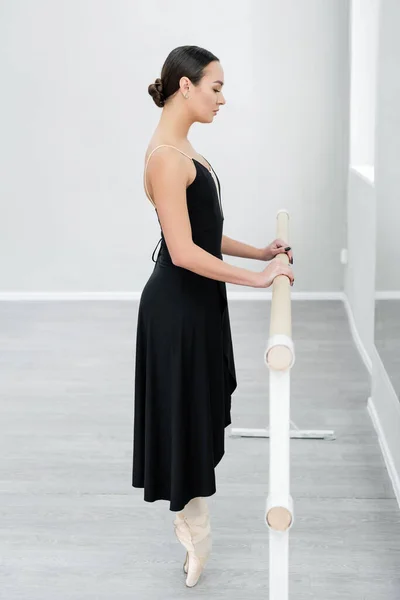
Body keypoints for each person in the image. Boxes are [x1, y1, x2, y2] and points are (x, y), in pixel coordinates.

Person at [132, 45, 295, 588]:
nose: (223, 98)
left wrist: (259, 254)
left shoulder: (182, 149)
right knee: (186, 422)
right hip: (177, 311)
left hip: (197, 306)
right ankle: (195, 536)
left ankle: (195, 533)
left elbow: (203, 234)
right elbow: (182, 251)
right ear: (185, 86)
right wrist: (258, 280)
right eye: (216, 87)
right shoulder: (165, 156)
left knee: (196, 416)